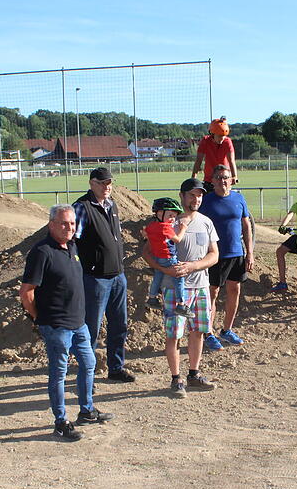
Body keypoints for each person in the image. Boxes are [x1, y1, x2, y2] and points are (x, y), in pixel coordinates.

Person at [20, 204, 113, 442]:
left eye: (72, 223)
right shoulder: (41, 252)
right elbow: (27, 292)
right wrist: (38, 318)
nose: (69, 227)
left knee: (89, 363)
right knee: (59, 374)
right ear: (51, 224)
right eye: (63, 223)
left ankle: (86, 410)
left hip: (78, 323)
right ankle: (61, 422)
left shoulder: (72, 246)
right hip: (56, 326)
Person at [142, 178, 220, 397]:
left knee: (197, 332)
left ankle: (193, 374)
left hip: (201, 286)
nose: (197, 199)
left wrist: (194, 266)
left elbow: (214, 255)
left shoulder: (206, 222)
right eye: (192, 195)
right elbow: (147, 253)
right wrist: (165, 270)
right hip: (174, 289)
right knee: (174, 334)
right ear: (182, 196)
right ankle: (176, 379)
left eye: (200, 195)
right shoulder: (170, 222)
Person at [72, 167, 135, 382]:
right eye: (102, 183)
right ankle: (86, 376)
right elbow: (72, 243)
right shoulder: (82, 208)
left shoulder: (112, 206)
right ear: (92, 183)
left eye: (109, 183)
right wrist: (78, 270)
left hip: (118, 276)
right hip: (94, 278)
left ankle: (115, 368)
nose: (107, 187)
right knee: (91, 329)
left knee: (119, 325)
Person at [197, 164, 253, 351]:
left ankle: (227, 330)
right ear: (212, 181)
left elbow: (246, 227)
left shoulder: (239, 198)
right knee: (212, 293)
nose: (222, 181)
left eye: (226, 177)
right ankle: (209, 333)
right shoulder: (206, 201)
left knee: (234, 290)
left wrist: (250, 252)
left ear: (232, 180)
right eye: (219, 177)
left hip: (236, 253)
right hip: (214, 255)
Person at [144, 197, 193, 319]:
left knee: (158, 276)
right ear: (160, 213)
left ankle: (152, 298)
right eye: (170, 215)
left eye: (174, 216)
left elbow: (146, 234)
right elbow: (178, 239)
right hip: (170, 258)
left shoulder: (151, 226)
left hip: (158, 258)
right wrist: (183, 229)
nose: (172, 219)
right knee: (179, 279)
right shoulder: (165, 227)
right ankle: (181, 305)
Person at [192, 117, 238, 190]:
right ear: (212, 134)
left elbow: (231, 161)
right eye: (219, 136)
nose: (222, 139)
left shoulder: (227, 142)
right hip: (209, 180)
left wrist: (234, 176)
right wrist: (193, 177)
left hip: (224, 179)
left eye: (224, 136)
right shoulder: (205, 141)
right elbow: (198, 160)